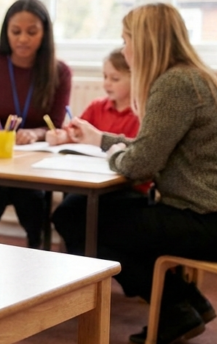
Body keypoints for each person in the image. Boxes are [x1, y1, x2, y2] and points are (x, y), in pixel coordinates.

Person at [68, 2, 217, 344]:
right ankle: (187, 301)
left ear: (144, 43)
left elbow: (140, 164)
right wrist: (100, 138)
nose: (124, 49)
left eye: (126, 40)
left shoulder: (173, 85)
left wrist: (111, 153)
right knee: (92, 211)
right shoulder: (194, 77)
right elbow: (152, 145)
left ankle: (174, 308)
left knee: (83, 218)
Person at [0, 0, 71, 247]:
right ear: (5, 31)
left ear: (45, 33)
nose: (22, 39)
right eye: (15, 31)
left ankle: (36, 255)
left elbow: (56, 125)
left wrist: (36, 134)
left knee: (32, 199)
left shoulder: (59, 72)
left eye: (32, 32)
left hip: (31, 164)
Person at [49, 48, 146, 255]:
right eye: (104, 77)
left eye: (115, 78)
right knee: (66, 214)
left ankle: (102, 265)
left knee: (83, 217)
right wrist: (62, 137)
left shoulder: (142, 113)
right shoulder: (97, 107)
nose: (106, 83)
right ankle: (87, 267)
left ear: (135, 79)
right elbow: (74, 133)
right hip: (93, 182)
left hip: (128, 189)